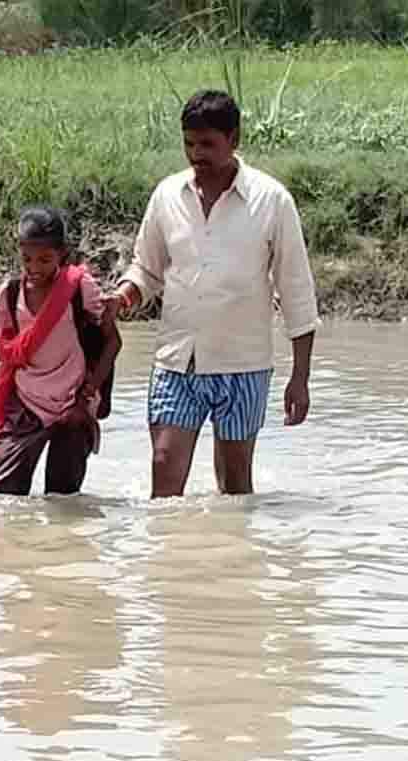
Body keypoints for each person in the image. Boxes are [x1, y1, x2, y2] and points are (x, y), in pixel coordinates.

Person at [108, 89, 319, 498]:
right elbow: (147, 268)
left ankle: (230, 559)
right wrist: (123, 297)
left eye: (208, 144)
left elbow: (296, 291)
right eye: (189, 143)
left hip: (243, 365)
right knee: (164, 466)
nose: (196, 154)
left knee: (235, 488)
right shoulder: (168, 195)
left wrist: (300, 378)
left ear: (234, 139)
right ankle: (168, 559)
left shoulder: (272, 201)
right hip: (177, 362)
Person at [0, 206, 121, 496]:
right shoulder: (10, 294)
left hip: (72, 404)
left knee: (62, 498)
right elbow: (8, 351)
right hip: (26, 403)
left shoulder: (80, 288)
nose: (34, 268)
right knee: (4, 497)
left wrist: (88, 395)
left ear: (62, 255)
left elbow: (112, 342)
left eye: (45, 260)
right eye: (27, 259)